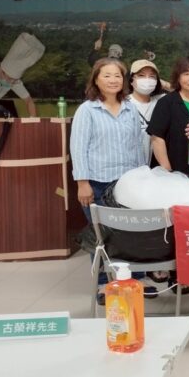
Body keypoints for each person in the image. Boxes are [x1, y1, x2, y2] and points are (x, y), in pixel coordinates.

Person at [70, 58, 147, 302]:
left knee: (130, 234)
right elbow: (78, 148)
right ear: (95, 79)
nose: (113, 80)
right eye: (107, 75)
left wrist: (142, 176)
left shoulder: (130, 108)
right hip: (97, 182)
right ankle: (104, 284)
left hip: (127, 184)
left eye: (117, 75)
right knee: (101, 237)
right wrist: (82, 182)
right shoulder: (87, 110)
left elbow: (137, 144)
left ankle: (134, 280)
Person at [147, 56, 189, 189]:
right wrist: (168, 173)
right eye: (187, 74)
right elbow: (157, 139)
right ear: (178, 77)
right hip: (176, 179)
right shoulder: (167, 103)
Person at [0, 32, 45, 117]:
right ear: (1, 72)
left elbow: (29, 101)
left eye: (14, 80)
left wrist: (32, 120)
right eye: (10, 79)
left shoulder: (13, 81)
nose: (11, 83)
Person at [127, 59, 166, 165]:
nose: (147, 80)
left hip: (154, 165)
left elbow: (182, 91)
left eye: (152, 77)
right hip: (130, 165)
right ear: (131, 79)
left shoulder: (161, 101)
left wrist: (164, 84)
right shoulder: (124, 103)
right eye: (141, 75)